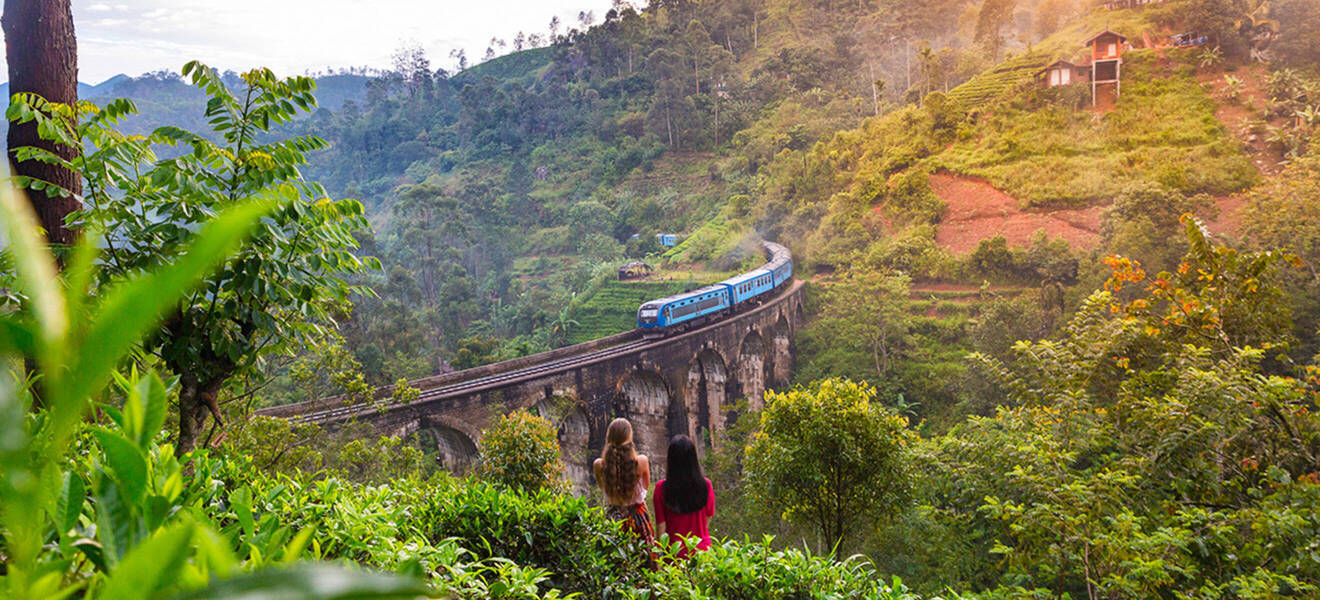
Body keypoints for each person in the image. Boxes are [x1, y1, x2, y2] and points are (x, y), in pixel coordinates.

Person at [594, 418, 656, 554]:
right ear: (629, 437)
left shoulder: (599, 465)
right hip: (638, 518)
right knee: (644, 557)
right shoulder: (642, 462)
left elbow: (602, 487)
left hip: (614, 520)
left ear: (608, 437)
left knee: (614, 558)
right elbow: (645, 487)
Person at [652, 434, 714, 558]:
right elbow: (708, 517)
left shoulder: (661, 488)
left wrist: (658, 556)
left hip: (675, 554)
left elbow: (661, 527)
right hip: (702, 552)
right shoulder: (706, 485)